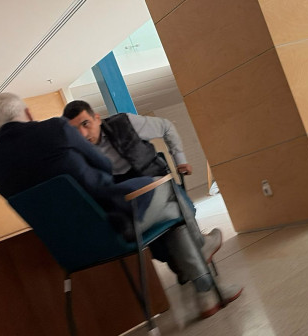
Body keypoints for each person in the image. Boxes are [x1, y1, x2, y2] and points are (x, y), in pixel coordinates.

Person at [0, 93, 241, 318]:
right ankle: (204, 268)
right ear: (28, 113)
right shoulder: (54, 130)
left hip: (72, 250)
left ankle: (205, 289)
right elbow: (104, 165)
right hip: (116, 224)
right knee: (166, 190)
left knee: (172, 215)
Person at [62, 101, 222, 281]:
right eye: (75, 130)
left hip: (156, 181)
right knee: (165, 228)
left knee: (174, 213)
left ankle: (194, 266)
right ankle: (198, 256)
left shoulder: (124, 123)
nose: (82, 134)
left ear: (97, 118)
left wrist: (180, 159)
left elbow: (166, 127)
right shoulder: (77, 153)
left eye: (85, 124)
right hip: (127, 200)